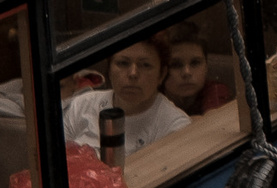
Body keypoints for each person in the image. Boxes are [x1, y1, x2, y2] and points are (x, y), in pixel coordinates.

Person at [64, 37, 192, 159]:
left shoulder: (175, 126)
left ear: (162, 74)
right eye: (123, 63)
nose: (133, 73)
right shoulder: (81, 105)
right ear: (109, 70)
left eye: (145, 65)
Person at [161, 23, 235, 118]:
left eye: (195, 63)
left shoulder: (215, 90)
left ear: (206, 66)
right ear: (161, 71)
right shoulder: (153, 97)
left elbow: (214, 122)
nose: (187, 72)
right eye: (176, 65)